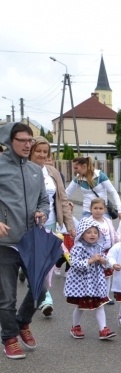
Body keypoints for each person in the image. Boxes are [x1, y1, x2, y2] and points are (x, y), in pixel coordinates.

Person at [0, 123, 48, 359]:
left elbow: (44, 201)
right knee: (7, 297)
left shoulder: (35, 170)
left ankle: (22, 322)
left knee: (40, 289)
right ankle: (9, 337)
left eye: (30, 140)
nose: (28, 144)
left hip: (30, 241)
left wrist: (43, 212)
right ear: (10, 141)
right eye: (23, 140)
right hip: (5, 243)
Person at [30, 136, 75, 317]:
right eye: (38, 151)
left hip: (50, 223)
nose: (42, 155)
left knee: (46, 265)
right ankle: (46, 297)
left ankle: (40, 292)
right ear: (31, 152)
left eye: (45, 152)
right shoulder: (24, 171)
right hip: (30, 225)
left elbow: (63, 198)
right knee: (38, 263)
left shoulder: (52, 172)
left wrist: (70, 224)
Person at [64, 217, 120, 341]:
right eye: (89, 232)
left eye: (95, 232)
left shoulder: (98, 247)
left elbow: (105, 261)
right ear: (82, 234)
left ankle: (103, 330)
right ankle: (75, 326)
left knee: (100, 305)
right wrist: (90, 260)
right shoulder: (77, 248)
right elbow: (74, 263)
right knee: (81, 306)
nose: (92, 235)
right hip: (82, 284)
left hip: (96, 283)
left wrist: (105, 262)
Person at [87, 197, 119, 304]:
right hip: (95, 253)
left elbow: (113, 234)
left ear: (105, 210)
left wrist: (119, 243)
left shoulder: (108, 221)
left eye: (100, 208)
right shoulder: (88, 222)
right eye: (95, 208)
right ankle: (93, 294)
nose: (98, 210)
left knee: (108, 274)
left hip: (107, 252)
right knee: (95, 274)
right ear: (90, 209)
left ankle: (105, 295)